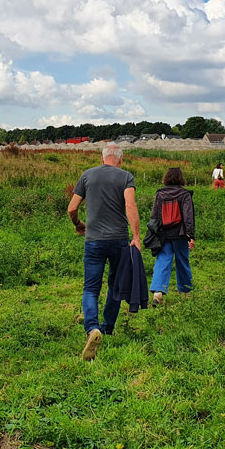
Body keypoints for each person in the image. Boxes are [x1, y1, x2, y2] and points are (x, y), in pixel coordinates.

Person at [67, 143, 142, 361]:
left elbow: (72, 208)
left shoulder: (87, 175)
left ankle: (92, 328)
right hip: (118, 240)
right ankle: (108, 327)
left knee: (91, 287)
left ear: (102, 158)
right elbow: (130, 205)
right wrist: (136, 237)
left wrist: (78, 223)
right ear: (120, 160)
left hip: (94, 241)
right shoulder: (126, 176)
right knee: (115, 286)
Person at [149, 168, 195, 306]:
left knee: (162, 260)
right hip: (180, 235)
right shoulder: (185, 194)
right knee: (182, 262)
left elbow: (154, 216)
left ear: (166, 178)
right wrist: (190, 235)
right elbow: (188, 217)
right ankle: (185, 291)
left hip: (164, 234)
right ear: (181, 178)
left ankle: (158, 292)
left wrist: (154, 233)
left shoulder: (160, 194)